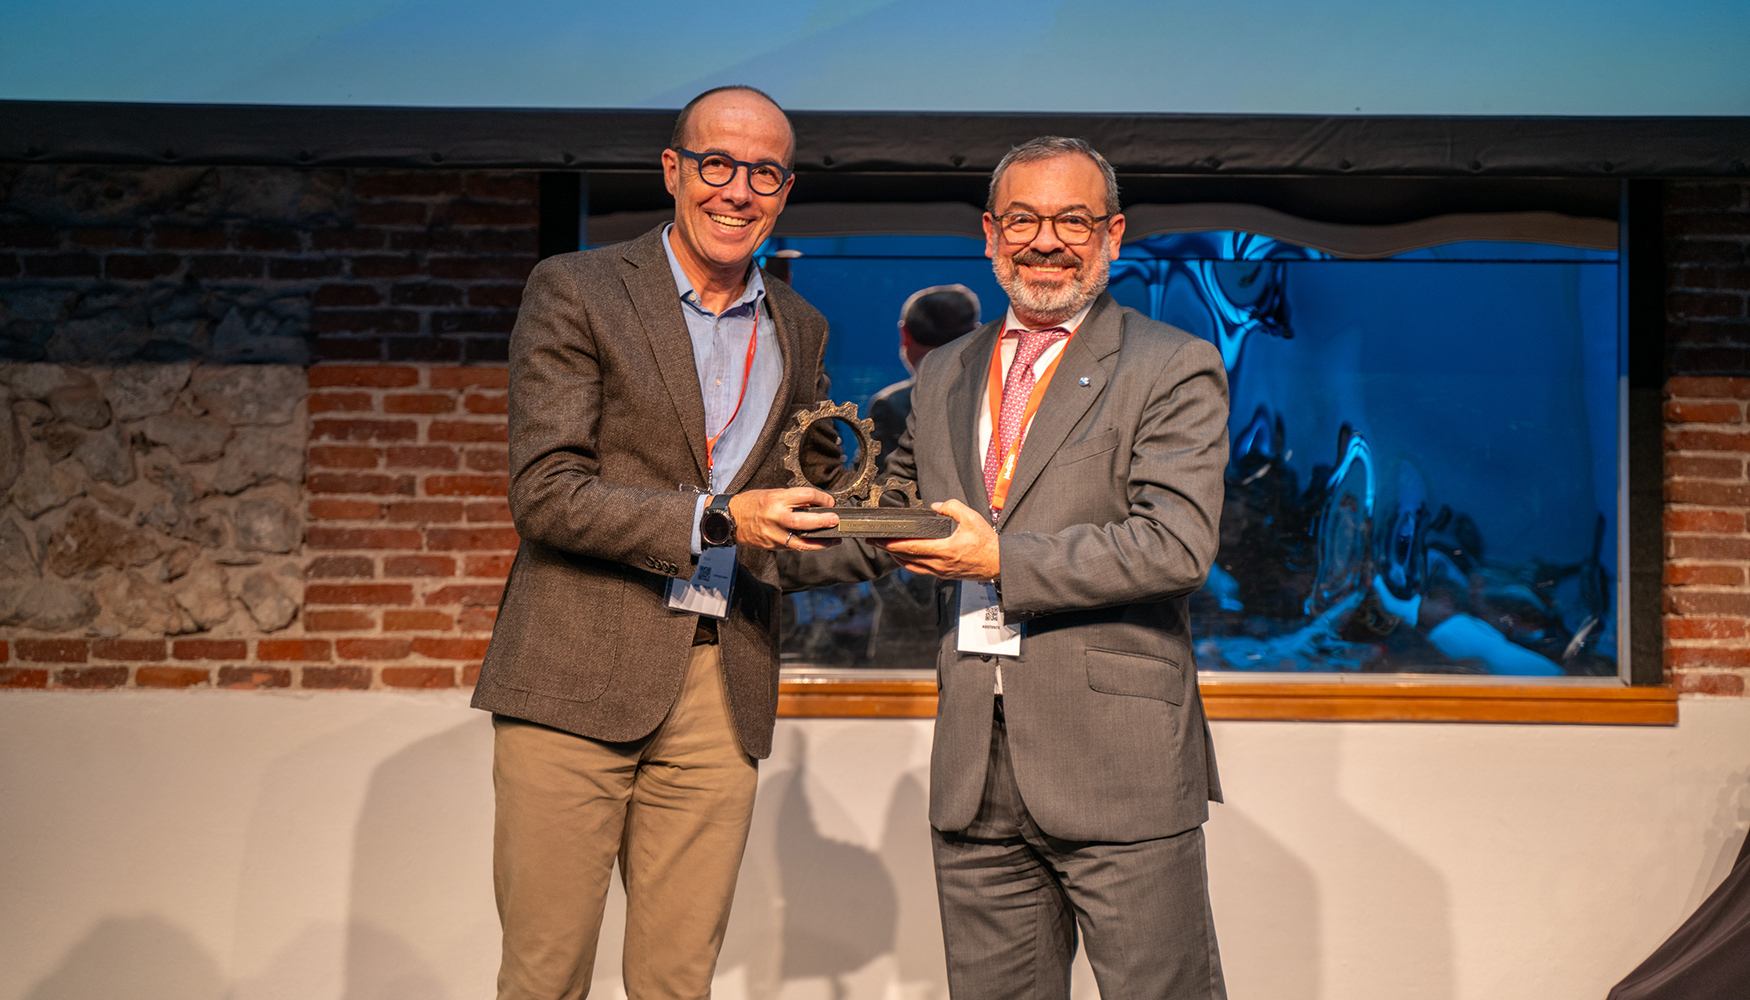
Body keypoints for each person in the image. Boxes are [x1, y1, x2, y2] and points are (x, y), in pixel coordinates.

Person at [785, 135, 1231, 999]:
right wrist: (751, 534)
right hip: (973, 771)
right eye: (1024, 219)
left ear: (1112, 234)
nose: (1047, 241)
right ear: (991, 236)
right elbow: (893, 515)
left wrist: (1000, 557)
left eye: (1073, 220)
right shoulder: (946, 370)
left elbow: (1174, 543)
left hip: (1119, 768)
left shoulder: (1171, 365)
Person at [470, 85, 846, 1000]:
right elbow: (547, 495)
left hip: (724, 680)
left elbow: (820, 482)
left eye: (764, 172)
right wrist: (719, 519)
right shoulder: (579, 288)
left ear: (785, 189)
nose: (738, 189)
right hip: (574, 677)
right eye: (718, 163)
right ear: (674, 171)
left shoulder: (799, 326)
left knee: (679, 980)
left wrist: (893, 531)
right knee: (546, 974)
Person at [868, 283, 982, 469]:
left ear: (905, 334)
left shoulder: (890, 405)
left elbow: (873, 483)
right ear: (975, 334)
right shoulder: (1004, 395)